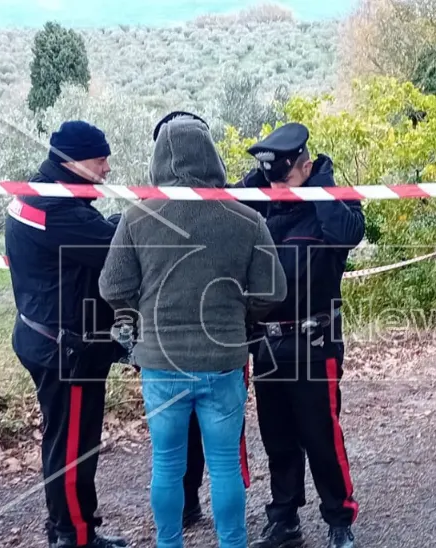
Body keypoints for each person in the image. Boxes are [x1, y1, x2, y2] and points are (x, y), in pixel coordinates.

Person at [100, 113, 287, 548]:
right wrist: (242, 314)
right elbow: (273, 289)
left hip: (161, 364)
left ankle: (169, 543)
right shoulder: (245, 219)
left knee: (166, 465)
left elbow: (112, 286)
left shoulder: (137, 218)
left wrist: (138, 312)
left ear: (159, 160)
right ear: (213, 158)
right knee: (223, 465)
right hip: (223, 360)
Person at [236, 123, 365, 548]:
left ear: (307, 166)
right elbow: (220, 205)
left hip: (315, 342)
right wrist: (262, 182)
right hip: (267, 343)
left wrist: (321, 186)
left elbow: (349, 234)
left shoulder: (331, 202)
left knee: (321, 437)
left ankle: (339, 520)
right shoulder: (261, 202)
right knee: (277, 438)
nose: (278, 187)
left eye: (285, 177)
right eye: (270, 178)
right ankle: (284, 519)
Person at [6, 120, 130, 548]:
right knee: (75, 448)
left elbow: (94, 233)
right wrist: (138, 220)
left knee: (63, 440)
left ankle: (69, 527)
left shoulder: (38, 195)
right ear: (74, 162)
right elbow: (116, 249)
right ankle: (74, 537)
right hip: (67, 351)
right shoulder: (59, 212)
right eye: (101, 160)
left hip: (43, 338)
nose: (108, 168)